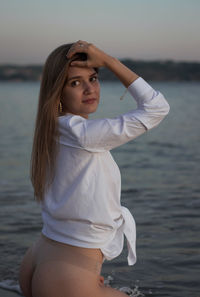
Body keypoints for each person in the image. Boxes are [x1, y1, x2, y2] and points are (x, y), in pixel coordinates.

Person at [19, 40, 170, 297]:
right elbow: (157, 108)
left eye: (94, 77)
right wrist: (109, 61)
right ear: (57, 91)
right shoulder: (82, 134)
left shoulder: (55, 128)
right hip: (66, 277)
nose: (90, 89)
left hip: (40, 261)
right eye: (75, 82)